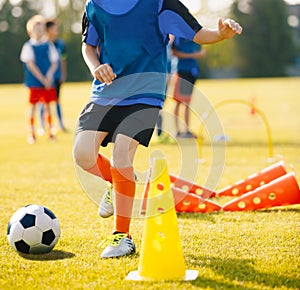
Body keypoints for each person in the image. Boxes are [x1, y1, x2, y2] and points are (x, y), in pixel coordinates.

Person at [73, 0, 242, 258]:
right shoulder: (94, 4)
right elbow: (88, 46)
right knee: (82, 154)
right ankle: (114, 184)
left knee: (122, 157)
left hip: (145, 93)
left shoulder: (159, 3)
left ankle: (122, 237)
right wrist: (95, 66)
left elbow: (197, 33)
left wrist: (221, 33)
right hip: (105, 93)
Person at [20, 15, 58, 144]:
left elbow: (54, 62)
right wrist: (42, 79)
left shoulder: (49, 45)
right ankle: (31, 132)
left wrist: (49, 76)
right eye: (37, 29)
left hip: (47, 81)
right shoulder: (28, 46)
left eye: (41, 28)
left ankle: (50, 132)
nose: (39, 31)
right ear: (31, 30)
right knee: (33, 107)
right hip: (34, 82)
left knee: (48, 106)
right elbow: (30, 64)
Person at [172, 37, 207, 138]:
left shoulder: (195, 35)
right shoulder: (179, 35)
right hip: (182, 71)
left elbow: (201, 50)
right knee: (179, 101)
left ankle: (187, 130)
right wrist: (192, 55)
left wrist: (200, 54)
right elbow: (174, 52)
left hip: (192, 71)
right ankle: (177, 131)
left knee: (187, 102)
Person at [39, 20, 68, 133]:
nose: (57, 31)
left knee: (56, 100)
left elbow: (63, 60)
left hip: (56, 77)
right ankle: (43, 125)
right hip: (46, 78)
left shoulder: (61, 44)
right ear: (48, 30)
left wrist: (63, 73)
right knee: (43, 101)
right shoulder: (43, 44)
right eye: (54, 28)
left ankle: (61, 124)